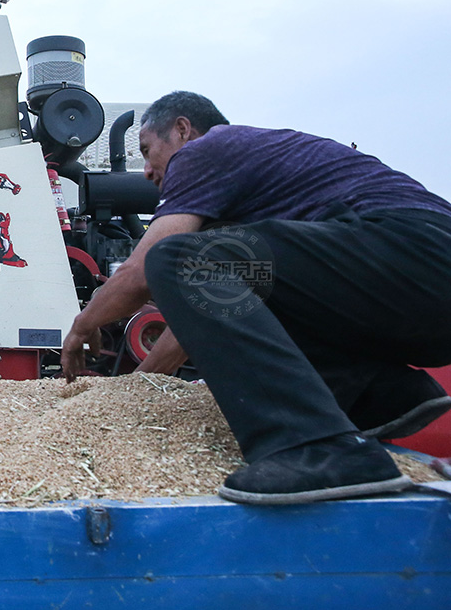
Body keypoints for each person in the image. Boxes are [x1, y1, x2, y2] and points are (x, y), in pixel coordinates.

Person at [61, 91, 451, 505]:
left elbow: (144, 270)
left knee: (174, 255)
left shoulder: (207, 149)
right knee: (215, 264)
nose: (146, 171)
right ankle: (380, 394)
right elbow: (202, 319)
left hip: (414, 251)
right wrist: (136, 390)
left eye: (147, 151)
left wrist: (83, 325)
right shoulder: (257, 187)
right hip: (417, 286)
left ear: (181, 129)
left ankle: (312, 449)